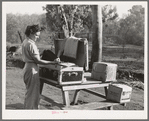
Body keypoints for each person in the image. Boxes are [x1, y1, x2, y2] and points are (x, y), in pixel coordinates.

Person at [22, 24, 60, 109]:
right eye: (36, 35)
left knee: (29, 93)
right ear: (31, 33)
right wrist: (52, 62)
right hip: (32, 69)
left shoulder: (25, 41)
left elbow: (33, 57)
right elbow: (38, 60)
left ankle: (27, 111)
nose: (37, 37)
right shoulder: (31, 44)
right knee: (33, 95)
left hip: (27, 68)